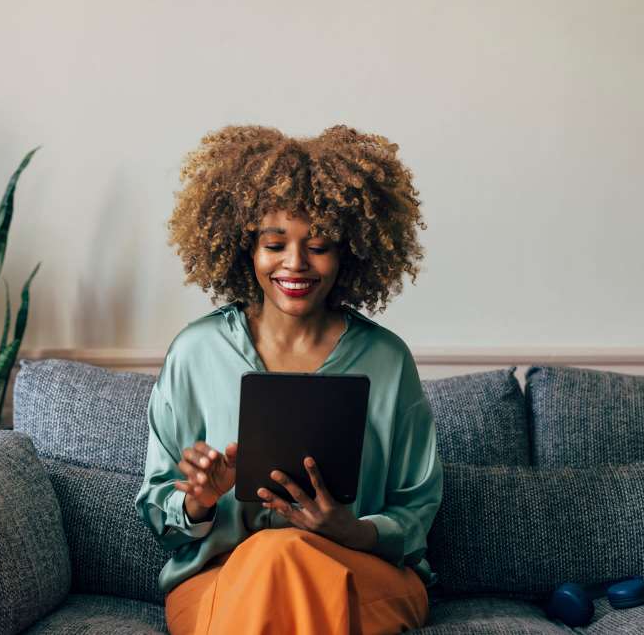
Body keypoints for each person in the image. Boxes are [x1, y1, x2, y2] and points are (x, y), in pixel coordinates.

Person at [134, 124, 443, 634]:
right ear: (245, 248)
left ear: (349, 252)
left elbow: (416, 509)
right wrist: (199, 499)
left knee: (286, 558)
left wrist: (352, 530)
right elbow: (159, 510)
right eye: (274, 243)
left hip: (357, 571)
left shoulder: (387, 360)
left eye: (318, 245)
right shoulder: (196, 352)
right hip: (222, 578)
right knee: (274, 560)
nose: (295, 263)